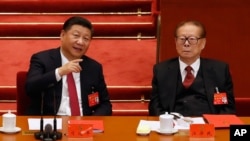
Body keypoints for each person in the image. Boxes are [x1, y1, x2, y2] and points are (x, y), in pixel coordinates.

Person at [25, 16, 112, 116]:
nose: (80, 42)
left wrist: (91, 122)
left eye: (86, 38)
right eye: (76, 35)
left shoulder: (94, 68)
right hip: (50, 125)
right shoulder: (42, 59)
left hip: (83, 126)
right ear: (62, 35)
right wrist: (60, 72)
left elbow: (105, 105)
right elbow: (30, 87)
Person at [148, 20, 236, 116]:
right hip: (173, 126)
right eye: (182, 39)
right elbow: (154, 106)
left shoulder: (220, 70)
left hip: (208, 126)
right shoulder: (161, 70)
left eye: (192, 39)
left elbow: (228, 107)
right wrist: (168, 123)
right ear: (175, 42)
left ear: (203, 43)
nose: (186, 43)